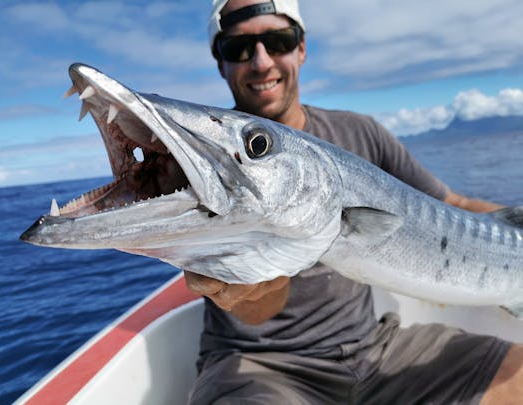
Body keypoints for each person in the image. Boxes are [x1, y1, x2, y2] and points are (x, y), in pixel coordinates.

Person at [185, 1, 523, 403]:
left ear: (301, 48)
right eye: (238, 49)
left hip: (374, 348)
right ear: (219, 62)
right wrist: (252, 290)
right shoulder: (209, 167)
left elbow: (452, 202)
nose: (261, 62)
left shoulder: (361, 133)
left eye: (278, 41)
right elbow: (257, 309)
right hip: (261, 367)